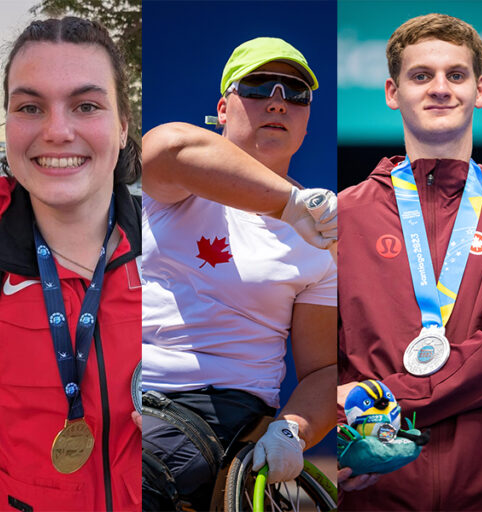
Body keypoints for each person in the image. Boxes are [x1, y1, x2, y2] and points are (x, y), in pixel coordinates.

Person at [0, 17, 141, 511]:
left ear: (123, 125)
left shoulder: (169, 252)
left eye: (86, 105)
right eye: (29, 107)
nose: (57, 131)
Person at [337, 13, 482, 510]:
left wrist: (377, 397)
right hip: (373, 491)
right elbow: (321, 353)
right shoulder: (343, 216)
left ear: (480, 90)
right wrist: (339, 435)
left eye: (455, 75)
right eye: (421, 76)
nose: (440, 88)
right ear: (391, 92)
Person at [140, 36, 337, 510]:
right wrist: (289, 205)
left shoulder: (323, 234)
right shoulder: (177, 182)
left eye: (296, 93)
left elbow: (324, 370)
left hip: (220, 421)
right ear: (222, 109)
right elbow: (164, 147)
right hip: (125, 395)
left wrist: (292, 431)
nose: (277, 100)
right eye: (256, 87)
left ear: (307, 122)